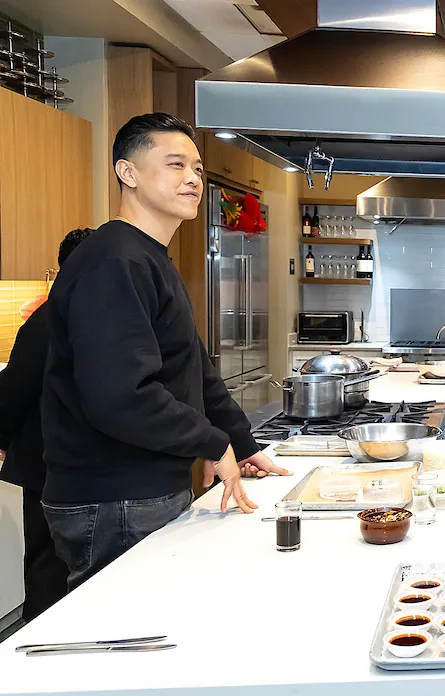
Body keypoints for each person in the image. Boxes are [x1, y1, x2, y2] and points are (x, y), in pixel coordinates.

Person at [40, 113, 289, 591]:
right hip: (113, 496)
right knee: (125, 639)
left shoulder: (147, 256)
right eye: (175, 165)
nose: (192, 179)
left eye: (196, 168)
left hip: (140, 489)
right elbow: (119, 396)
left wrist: (242, 442)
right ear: (127, 173)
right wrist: (212, 442)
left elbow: (192, 367)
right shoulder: (113, 261)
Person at [0, 229, 92, 620]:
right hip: (77, 463)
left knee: (46, 564)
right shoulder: (99, 315)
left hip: (47, 465)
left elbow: (13, 388)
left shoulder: (46, 320)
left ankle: (38, 645)